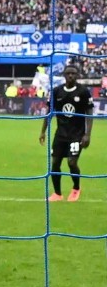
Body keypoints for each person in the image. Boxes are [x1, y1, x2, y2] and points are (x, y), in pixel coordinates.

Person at [39, 64, 93, 202]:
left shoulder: (83, 92)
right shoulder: (56, 91)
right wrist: (43, 131)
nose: (71, 76)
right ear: (64, 75)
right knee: (55, 163)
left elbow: (89, 113)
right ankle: (57, 193)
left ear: (78, 75)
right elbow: (49, 113)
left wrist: (87, 134)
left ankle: (76, 188)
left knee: (71, 162)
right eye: (68, 73)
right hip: (60, 135)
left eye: (74, 73)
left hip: (77, 135)